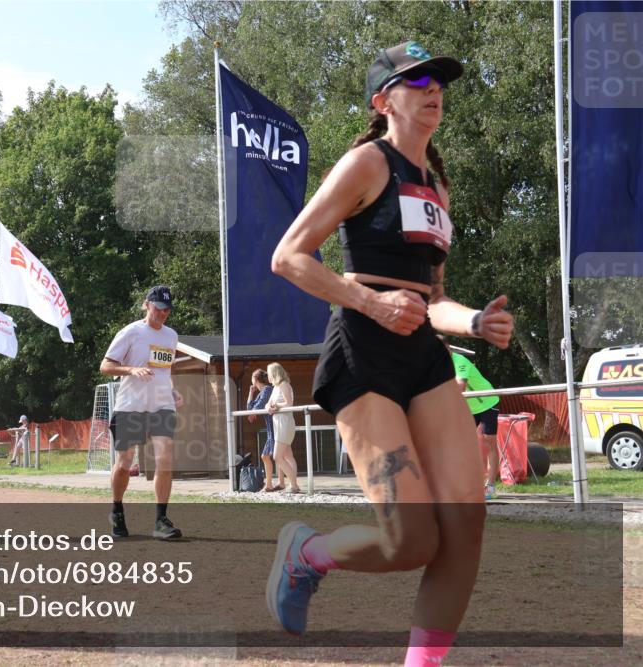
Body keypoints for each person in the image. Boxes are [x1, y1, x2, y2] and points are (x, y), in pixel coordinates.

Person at [267, 41, 513, 667]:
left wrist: (475, 322)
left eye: (439, 83)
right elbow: (289, 256)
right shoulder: (366, 163)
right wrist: (370, 302)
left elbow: (434, 299)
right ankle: (306, 553)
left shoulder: (438, 187)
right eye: (417, 82)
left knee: (467, 523)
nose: (433, 91)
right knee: (411, 542)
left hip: (423, 357)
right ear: (384, 101)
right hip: (363, 350)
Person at [100, 285, 184, 540]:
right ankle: (117, 509)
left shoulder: (171, 336)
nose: (163, 314)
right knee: (125, 462)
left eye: (167, 310)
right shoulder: (131, 332)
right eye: (159, 308)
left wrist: (172, 390)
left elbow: (164, 370)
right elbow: (105, 366)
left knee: (165, 458)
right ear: (147, 305)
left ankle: (161, 520)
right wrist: (131, 370)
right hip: (130, 406)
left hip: (161, 405)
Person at [448, 346, 501, 499]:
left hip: (487, 402)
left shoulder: (459, 360)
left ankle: (490, 486)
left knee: (489, 441)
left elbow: (461, 386)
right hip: (469, 408)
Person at [266, 363, 301, 493]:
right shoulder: (275, 387)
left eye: (269, 373)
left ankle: (294, 485)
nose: (268, 376)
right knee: (287, 455)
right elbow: (268, 403)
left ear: (274, 373)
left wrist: (276, 406)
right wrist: (269, 407)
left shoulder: (284, 385)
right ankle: (293, 485)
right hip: (278, 423)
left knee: (277, 456)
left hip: (284, 423)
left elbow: (289, 403)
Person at [247, 369, 280, 491]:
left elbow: (257, 407)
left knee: (271, 456)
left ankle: (274, 484)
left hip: (275, 428)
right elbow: (250, 408)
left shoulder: (267, 390)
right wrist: (251, 392)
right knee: (272, 456)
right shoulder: (262, 392)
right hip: (271, 430)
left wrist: (253, 412)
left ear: (255, 379)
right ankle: (273, 484)